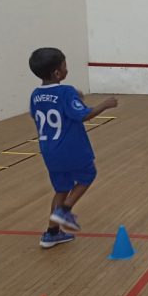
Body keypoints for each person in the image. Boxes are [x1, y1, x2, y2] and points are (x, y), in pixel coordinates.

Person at [29, 48, 118, 248]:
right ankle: (64, 210)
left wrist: (73, 98)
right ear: (57, 73)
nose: (66, 69)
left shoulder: (35, 95)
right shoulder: (66, 91)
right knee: (88, 175)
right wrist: (105, 104)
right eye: (64, 65)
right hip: (72, 149)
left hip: (49, 151)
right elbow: (83, 115)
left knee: (61, 189)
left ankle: (52, 233)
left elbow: (38, 113)